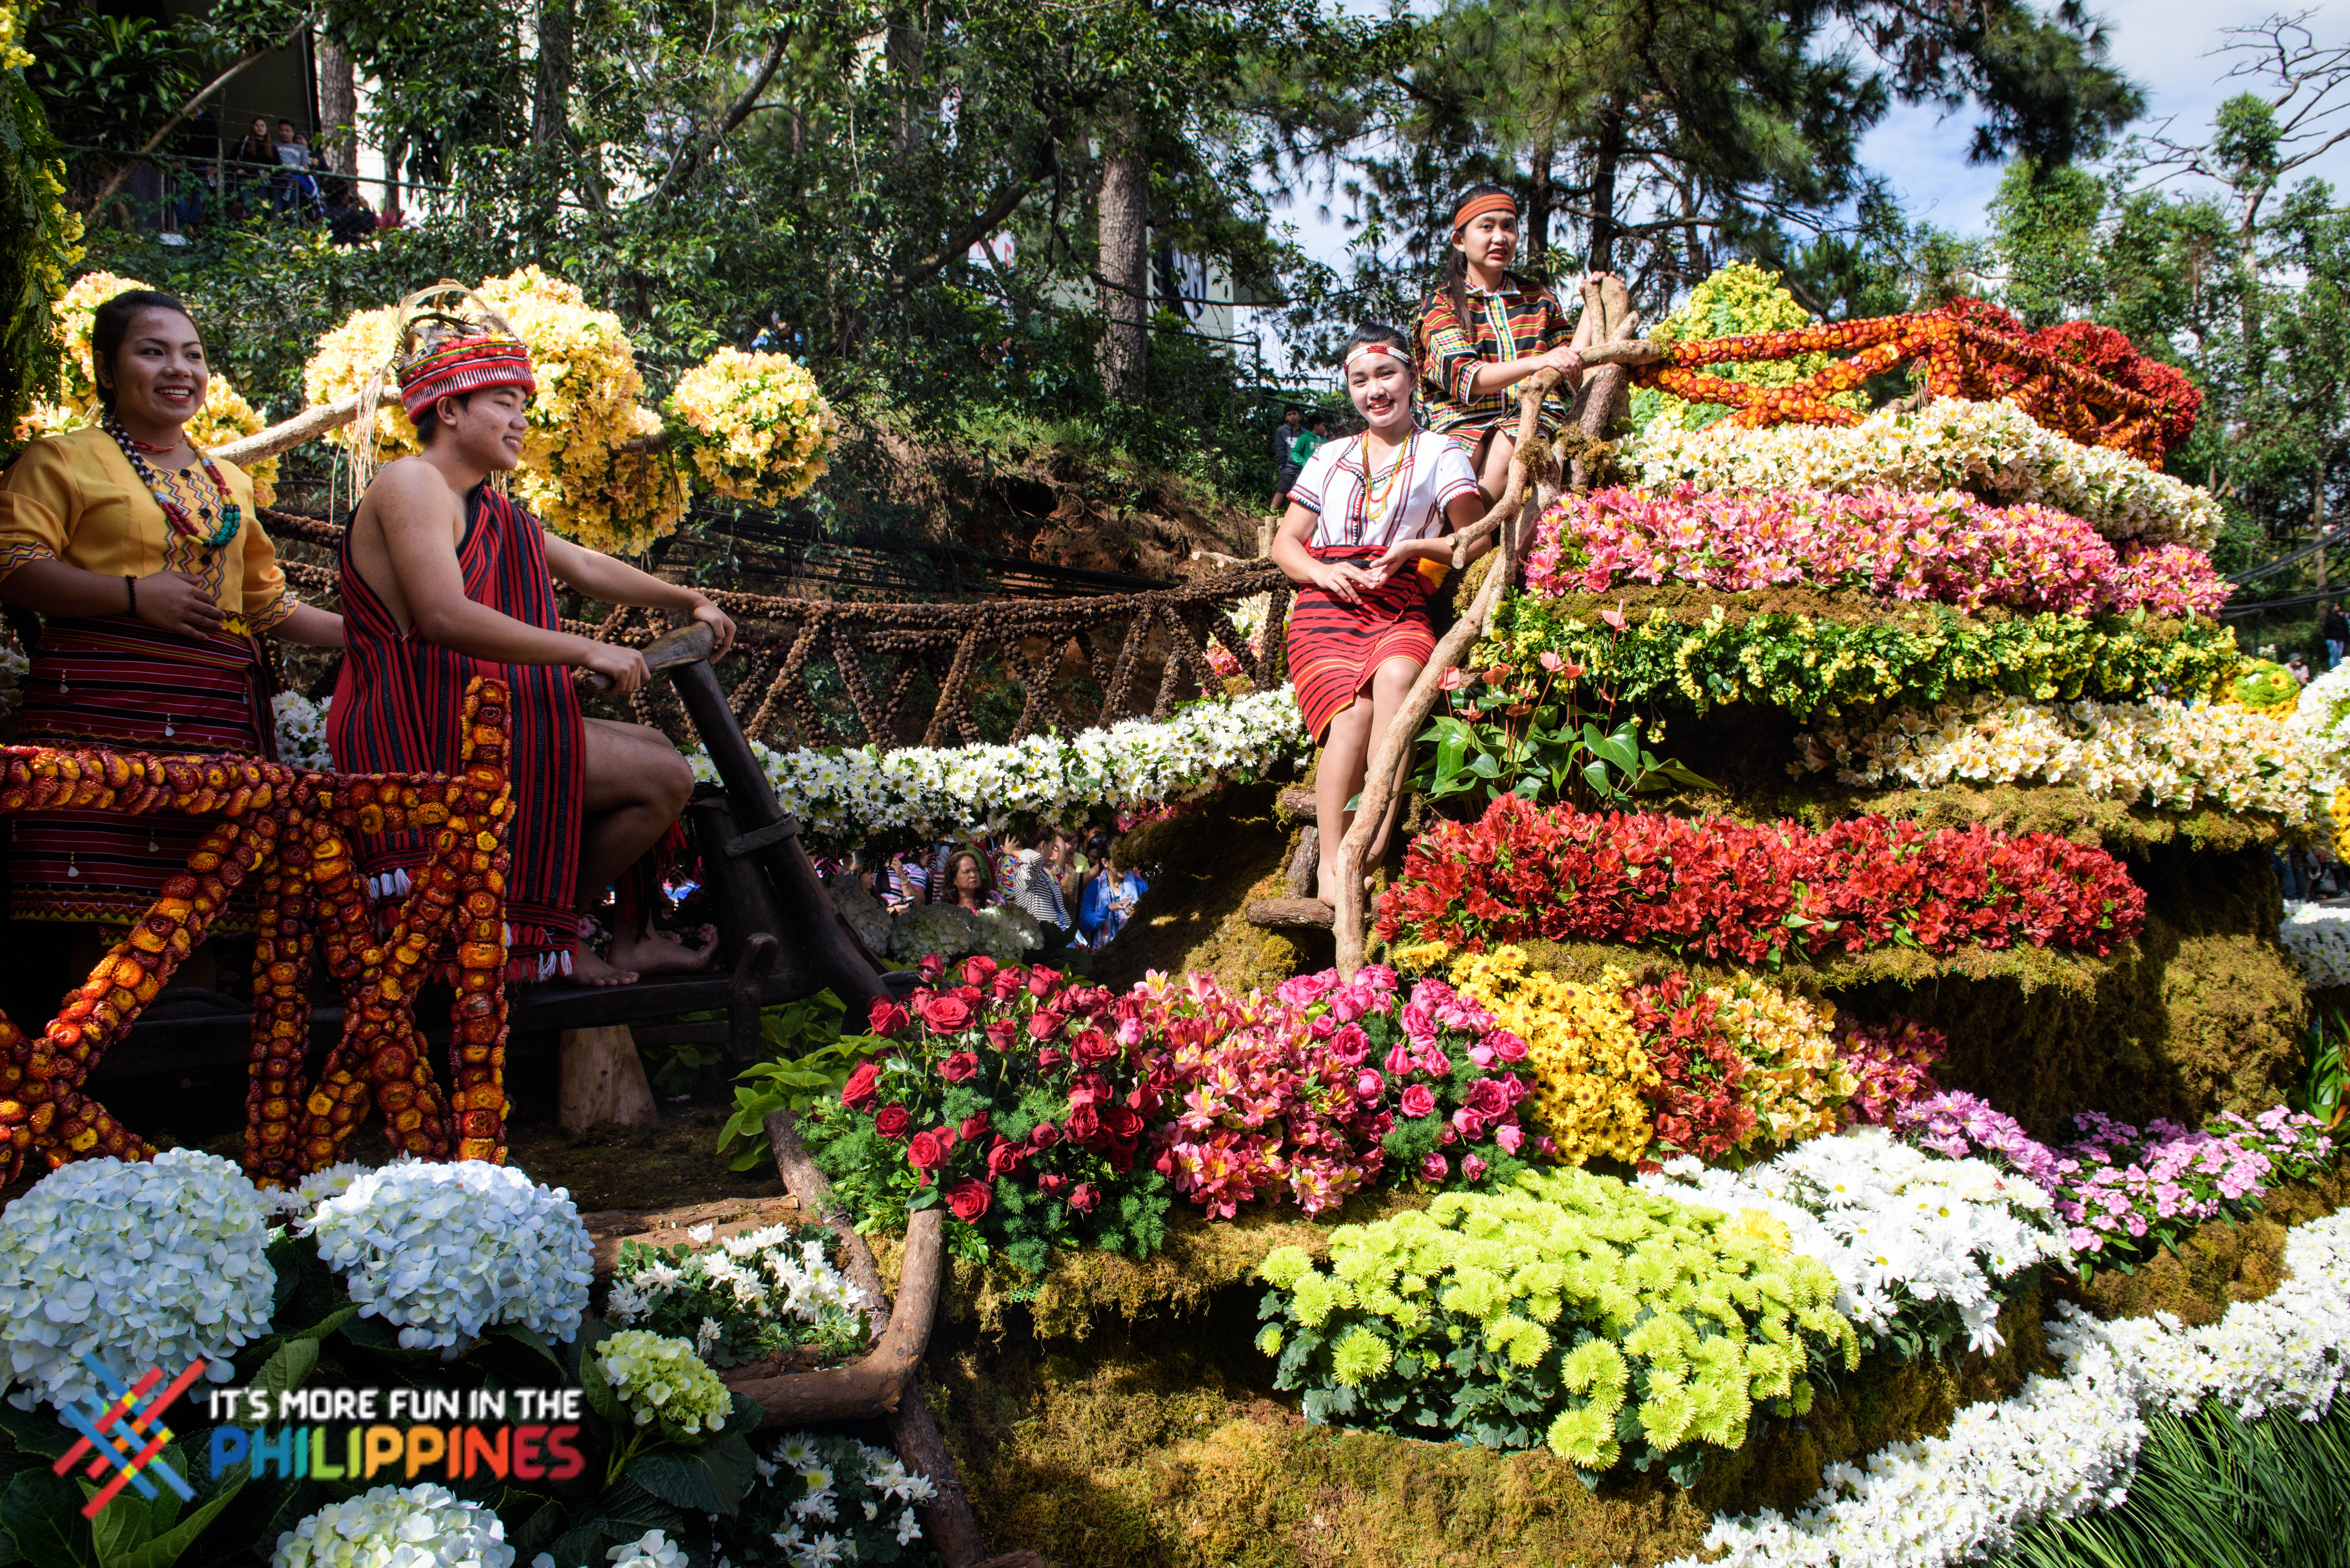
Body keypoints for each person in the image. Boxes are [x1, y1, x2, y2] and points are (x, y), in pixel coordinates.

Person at [328, 298, 738, 987]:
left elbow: (583, 565)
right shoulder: (413, 482)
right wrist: (582, 649)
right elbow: (442, 615)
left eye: (524, 403)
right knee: (663, 778)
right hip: (417, 725)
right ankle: (547, 929)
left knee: (660, 752)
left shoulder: (491, 508)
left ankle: (626, 936)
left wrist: (685, 598)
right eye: (503, 401)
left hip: (471, 716)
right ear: (449, 410)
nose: (521, 420)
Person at [0, 290, 345, 944]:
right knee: (95, 925)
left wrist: (381, 636)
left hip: (214, 718)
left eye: (192, 354)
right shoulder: (62, 459)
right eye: (152, 352)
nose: (178, 369)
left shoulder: (229, 481)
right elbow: (14, 564)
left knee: (200, 913)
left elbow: (267, 605)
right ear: (106, 367)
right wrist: (133, 595)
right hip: (103, 714)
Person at [1272, 322, 1491, 905]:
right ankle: (1330, 870)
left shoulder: (1443, 452)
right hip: (1327, 605)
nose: (1375, 390)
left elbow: (1479, 539)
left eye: (1387, 374)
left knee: (1398, 679)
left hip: (1399, 602)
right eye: (1360, 380)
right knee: (1350, 717)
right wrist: (1321, 572)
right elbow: (1285, 543)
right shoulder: (1328, 456)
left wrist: (1416, 549)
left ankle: (1368, 850)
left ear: (1413, 378)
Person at [1413, 184, 1588, 501]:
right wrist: (1539, 361)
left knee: (1512, 442)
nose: (1500, 237)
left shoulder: (1540, 299)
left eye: (1509, 226)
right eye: (1487, 226)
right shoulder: (1441, 304)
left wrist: (1592, 305)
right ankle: (1456, 541)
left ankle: (1472, 543)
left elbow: (1571, 363)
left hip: (1531, 417)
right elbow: (1469, 377)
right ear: (1459, 240)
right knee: (1460, 457)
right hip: (1461, 421)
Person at [1009, 827, 1075, 951]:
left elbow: (1057, 874)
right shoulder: (1023, 871)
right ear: (1043, 846)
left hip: (1058, 943)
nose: (1051, 854)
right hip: (1043, 947)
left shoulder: (1042, 874)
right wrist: (1013, 851)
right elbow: (1036, 859)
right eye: (1051, 848)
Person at [1077, 846, 1146, 947]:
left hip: (1136, 950)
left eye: (1127, 860)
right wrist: (1108, 908)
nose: (1125, 865)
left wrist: (1137, 914)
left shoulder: (1139, 885)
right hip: (1103, 954)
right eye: (1119, 861)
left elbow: (1153, 917)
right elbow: (1084, 924)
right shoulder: (1094, 888)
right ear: (1105, 862)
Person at [940, 848, 992, 913]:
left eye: (976, 870)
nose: (973, 875)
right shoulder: (944, 908)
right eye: (967, 872)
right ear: (954, 880)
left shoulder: (992, 900)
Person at [1270, 404, 1304, 494]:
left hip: (1302, 467)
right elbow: (1280, 449)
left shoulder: (1305, 433)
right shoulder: (1281, 431)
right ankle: (1273, 508)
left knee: (1302, 492)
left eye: (1294, 414)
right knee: (1282, 490)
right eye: (1289, 415)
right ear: (1286, 418)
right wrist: (1283, 466)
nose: (1292, 417)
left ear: (1299, 415)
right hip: (1288, 466)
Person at [2325, 602, 2348, 671]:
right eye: (2337, 606)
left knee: (2339, 655)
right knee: (2334, 655)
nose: (2339, 608)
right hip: (2332, 638)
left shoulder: (2341, 616)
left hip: (2340, 638)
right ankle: (2333, 669)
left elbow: (2345, 625)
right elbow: (2332, 626)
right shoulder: (2330, 616)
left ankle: (2338, 669)